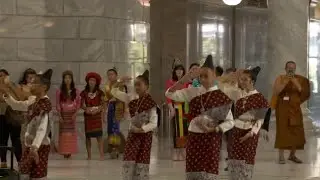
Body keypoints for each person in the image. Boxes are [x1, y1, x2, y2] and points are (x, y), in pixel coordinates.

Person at [166, 55, 234, 180]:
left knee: (209, 172)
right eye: (200, 76)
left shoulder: (221, 96)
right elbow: (169, 93)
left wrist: (216, 129)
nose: (202, 79)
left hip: (212, 139)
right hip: (194, 138)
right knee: (193, 171)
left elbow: (230, 122)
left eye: (206, 76)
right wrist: (184, 80)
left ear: (214, 75)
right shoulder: (193, 91)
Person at [3, 69, 53, 180]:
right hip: (30, 146)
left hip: (40, 146)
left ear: (44, 87)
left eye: (35, 83)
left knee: (37, 175)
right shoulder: (33, 100)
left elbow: (42, 128)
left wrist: (35, 147)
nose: (31, 85)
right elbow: (18, 105)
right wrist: (8, 96)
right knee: (24, 172)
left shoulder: (45, 105)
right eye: (31, 82)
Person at [222, 67, 269, 180]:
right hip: (236, 130)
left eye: (244, 80)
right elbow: (221, 86)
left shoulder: (260, 98)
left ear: (252, 81)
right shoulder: (237, 93)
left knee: (246, 160)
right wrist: (233, 76)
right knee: (234, 159)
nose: (241, 82)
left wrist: (252, 133)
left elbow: (260, 120)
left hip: (250, 132)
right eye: (240, 79)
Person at [111, 70, 158, 180]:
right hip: (133, 135)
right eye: (135, 85)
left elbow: (154, 123)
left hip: (145, 136)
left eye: (139, 85)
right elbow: (114, 92)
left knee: (142, 161)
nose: (136, 87)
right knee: (129, 160)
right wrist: (119, 82)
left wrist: (142, 129)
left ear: (146, 86)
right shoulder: (130, 97)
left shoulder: (150, 102)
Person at [272, 61, 310, 164]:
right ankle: (281, 156)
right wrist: (285, 82)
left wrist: (294, 81)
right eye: (289, 68)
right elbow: (276, 92)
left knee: (296, 131)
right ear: (285, 68)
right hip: (283, 109)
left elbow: (303, 92)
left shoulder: (299, 79)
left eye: (293, 68)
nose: (291, 70)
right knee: (282, 131)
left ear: (295, 69)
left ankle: (292, 155)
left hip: (295, 109)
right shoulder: (280, 78)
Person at [165, 61, 189, 161]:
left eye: (181, 70)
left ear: (183, 72)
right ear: (175, 72)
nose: (179, 72)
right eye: (177, 70)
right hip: (176, 107)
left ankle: (183, 150)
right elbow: (168, 98)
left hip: (186, 107)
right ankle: (176, 151)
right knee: (176, 130)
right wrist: (171, 109)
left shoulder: (187, 83)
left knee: (185, 130)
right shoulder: (170, 82)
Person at [56, 71, 81, 159]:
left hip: (72, 115)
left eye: (69, 78)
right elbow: (58, 104)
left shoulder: (76, 91)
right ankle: (64, 151)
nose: (67, 80)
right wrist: (59, 116)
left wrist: (75, 114)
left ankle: (70, 151)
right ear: (63, 79)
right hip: (63, 115)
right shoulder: (59, 91)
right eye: (65, 78)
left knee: (71, 133)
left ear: (72, 79)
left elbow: (78, 104)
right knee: (64, 134)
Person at [80, 72, 105, 160]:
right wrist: (86, 109)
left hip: (97, 116)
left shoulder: (100, 93)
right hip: (88, 116)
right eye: (90, 80)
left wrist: (98, 110)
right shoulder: (83, 93)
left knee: (99, 136)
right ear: (87, 81)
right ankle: (89, 156)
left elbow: (103, 104)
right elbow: (81, 104)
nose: (92, 82)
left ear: (96, 82)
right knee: (88, 137)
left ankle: (101, 155)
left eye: (94, 80)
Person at [104, 68, 127, 159]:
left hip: (118, 107)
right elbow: (107, 98)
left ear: (116, 75)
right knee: (110, 128)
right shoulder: (107, 86)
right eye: (108, 74)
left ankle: (116, 149)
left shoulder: (120, 85)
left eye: (112, 74)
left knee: (115, 128)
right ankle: (111, 147)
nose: (110, 76)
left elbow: (122, 97)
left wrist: (125, 110)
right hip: (110, 107)